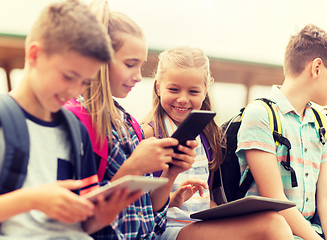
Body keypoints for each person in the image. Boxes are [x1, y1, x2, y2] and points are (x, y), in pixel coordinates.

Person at [0, 1, 142, 239]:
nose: (74, 89)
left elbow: (82, 226)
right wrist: (32, 199)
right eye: (68, 76)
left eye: (85, 82)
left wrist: (102, 217)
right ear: (34, 55)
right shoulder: (5, 121)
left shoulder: (76, 131)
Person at [64, 1, 197, 239]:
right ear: (98, 57)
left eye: (141, 66)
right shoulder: (75, 120)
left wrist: (171, 173)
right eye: (129, 64)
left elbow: (149, 219)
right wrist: (133, 167)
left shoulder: (129, 124)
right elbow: (76, 221)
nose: (138, 77)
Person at [141, 45, 294, 240]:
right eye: (173, 89)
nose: (182, 99)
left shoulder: (207, 137)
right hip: (167, 229)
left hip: (196, 225)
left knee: (271, 218)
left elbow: (206, 200)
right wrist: (173, 194)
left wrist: (231, 213)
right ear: (158, 87)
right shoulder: (149, 135)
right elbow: (146, 207)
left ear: (205, 91)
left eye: (193, 92)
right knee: (272, 225)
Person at [236, 24, 327, 240]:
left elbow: (324, 199)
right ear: (317, 68)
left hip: (311, 234)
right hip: (272, 232)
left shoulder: (320, 122)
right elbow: (276, 200)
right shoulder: (260, 114)